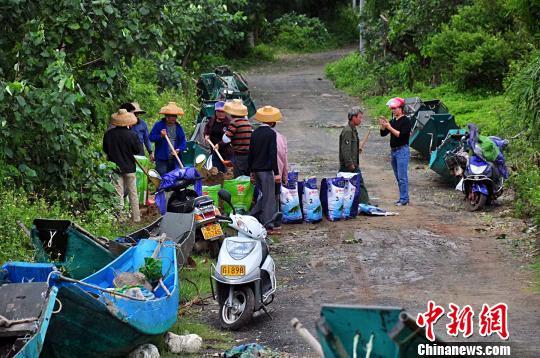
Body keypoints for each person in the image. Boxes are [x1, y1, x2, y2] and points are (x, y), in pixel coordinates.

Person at [103, 109, 142, 222]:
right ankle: (136, 218)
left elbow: (105, 149)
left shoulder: (109, 134)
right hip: (129, 167)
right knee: (133, 193)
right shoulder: (132, 135)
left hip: (115, 168)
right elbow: (137, 150)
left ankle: (121, 219)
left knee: (118, 194)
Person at [248, 106, 281, 234]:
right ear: (272, 122)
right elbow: (273, 154)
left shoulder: (254, 133)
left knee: (264, 197)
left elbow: (250, 153)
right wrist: (276, 173)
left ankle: (251, 217)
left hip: (256, 170)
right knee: (269, 198)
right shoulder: (271, 134)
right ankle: (268, 225)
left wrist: (251, 171)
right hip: (266, 171)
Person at [379, 97, 412, 206]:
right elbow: (383, 134)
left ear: (401, 108)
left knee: (402, 177)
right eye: (392, 109)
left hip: (402, 150)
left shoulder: (406, 121)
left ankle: (404, 199)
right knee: (398, 176)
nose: (393, 110)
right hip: (394, 151)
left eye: (394, 108)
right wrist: (383, 126)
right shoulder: (393, 121)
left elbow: (401, 135)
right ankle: (403, 197)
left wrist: (389, 127)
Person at [339, 106, 370, 204]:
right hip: (349, 165)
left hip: (352, 163)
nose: (361, 120)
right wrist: (350, 164)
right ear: (353, 117)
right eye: (360, 117)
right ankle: (365, 204)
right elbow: (345, 149)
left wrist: (358, 149)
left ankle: (358, 204)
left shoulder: (353, 130)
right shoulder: (347, 131)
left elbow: (351, 147)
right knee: (359, 184)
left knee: (344, 185)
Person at [149, 102, 187, 176]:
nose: (174, 118)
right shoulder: (158, 125)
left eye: (175, 116)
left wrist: (179, 149)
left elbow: (183, 142)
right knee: (163, 178)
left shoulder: (178, 127)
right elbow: (151, 138)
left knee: (175, 178)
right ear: (166, 117)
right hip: (162, 158)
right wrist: (161, 136)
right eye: (172, 116)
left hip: (175, 158)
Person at [222, 99, 252, 177]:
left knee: (239, 178)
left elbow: (225, 140)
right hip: (248, 155)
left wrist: (225, 132)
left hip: (239, 155)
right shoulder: (247, 123)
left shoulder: (234, 122)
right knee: (247, 176)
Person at [204, 101, 232, 172]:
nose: (220, 113)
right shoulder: (212, 120)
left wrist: (219, 144)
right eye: (218, 111)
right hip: (214, 150)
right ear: (215, 112)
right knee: (216, 170)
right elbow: (207, 127)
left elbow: (229, 137)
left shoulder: (229, 122)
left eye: (222, 111)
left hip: (226, 151)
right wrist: (206, 135)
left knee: (226, 171)